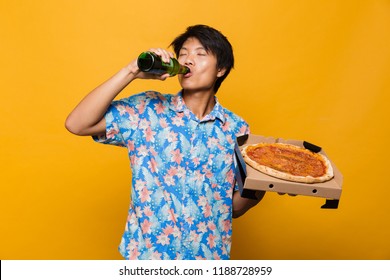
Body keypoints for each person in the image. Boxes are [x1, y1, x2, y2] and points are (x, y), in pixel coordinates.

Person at [65, 24, 264, 260]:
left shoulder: (236, 129)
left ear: (221, 69)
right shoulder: (147, 109)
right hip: (147, 259)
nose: (188, 60)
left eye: (200, 54)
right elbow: (77, 124)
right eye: (183, 54)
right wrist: (131, 71)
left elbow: (231, 208)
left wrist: (265, 183)